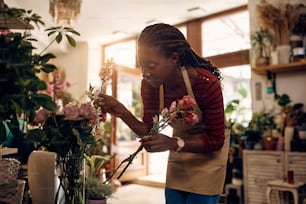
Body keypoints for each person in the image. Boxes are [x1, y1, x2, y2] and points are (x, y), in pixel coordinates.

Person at [100, 23, 229, 204]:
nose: (145, 73)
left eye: (151, 66)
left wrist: (173, 142)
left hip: (208, 156)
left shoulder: (206, 83)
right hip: (179, 153)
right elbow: (149, 129)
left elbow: (216, 139)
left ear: (174, 58)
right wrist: (121, 112)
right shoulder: (151, 85)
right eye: (142, 66)